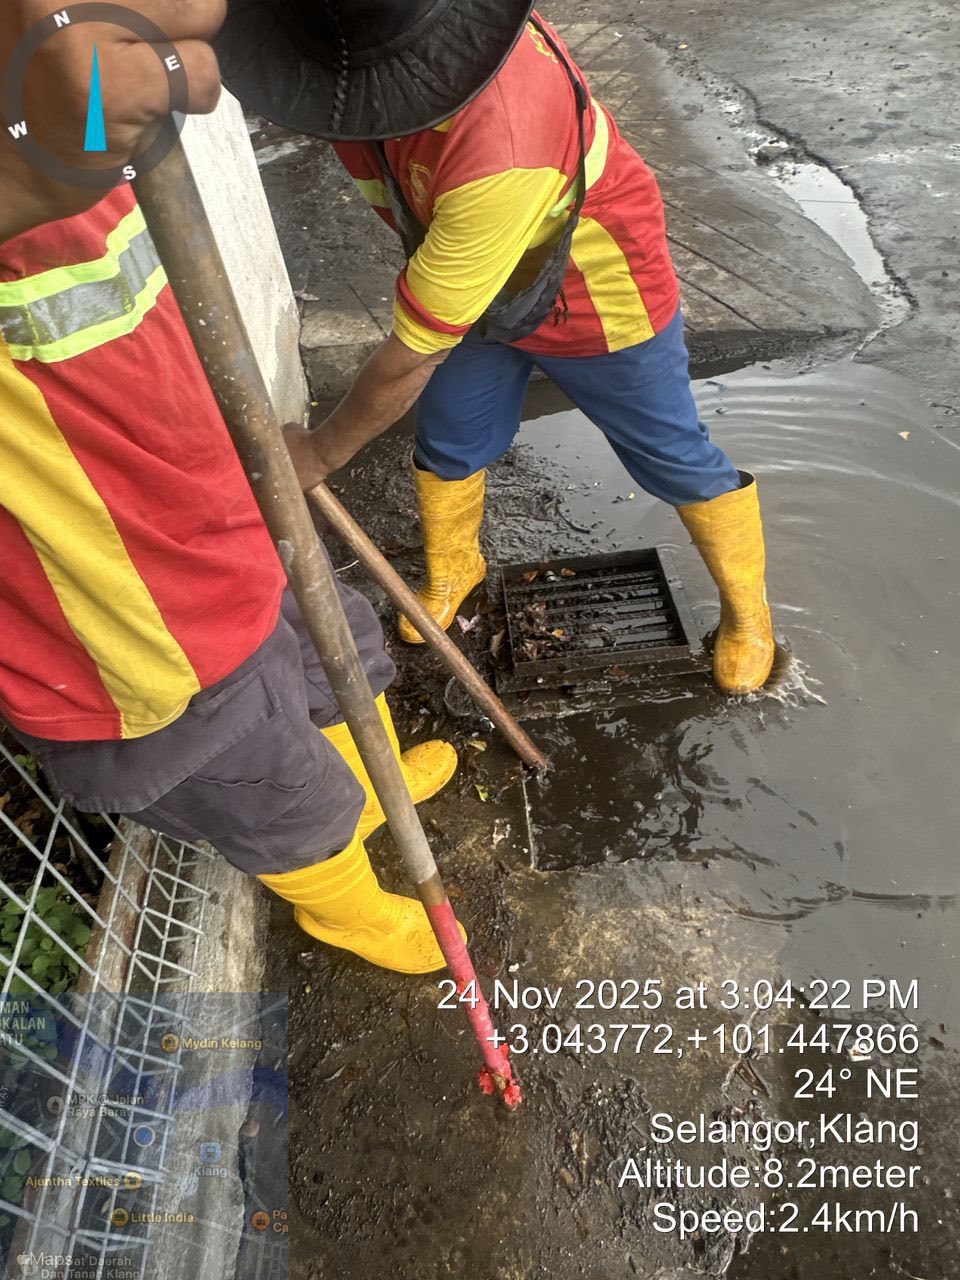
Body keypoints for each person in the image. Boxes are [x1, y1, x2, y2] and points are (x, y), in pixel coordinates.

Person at [0, 1, 463, 975]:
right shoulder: (30, 116)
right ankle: (343, 899)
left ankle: (368, 785)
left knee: (336, 656)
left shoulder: (71, 88)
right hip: (134, 616)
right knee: (270, 780)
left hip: (223, 505)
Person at [217, 0, 777, 695]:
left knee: (669, 452)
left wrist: (323, 451)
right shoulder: (349, 72)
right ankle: (455, 567)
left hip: (593, 290)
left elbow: (412, 356)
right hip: (474, 288)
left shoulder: (501, 143)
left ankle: (749, 614)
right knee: (450, 431)